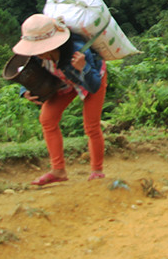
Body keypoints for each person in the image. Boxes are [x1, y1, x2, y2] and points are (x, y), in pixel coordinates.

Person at [12, 13, 107, 186]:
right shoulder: (37, 55)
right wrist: (25, 90)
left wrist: (83, 67)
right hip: (64, 80)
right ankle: (58, 170)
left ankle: (97, 170)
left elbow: (93, 85)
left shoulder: (76, 50)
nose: (35, 52)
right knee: (47, 119)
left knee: (91, 125)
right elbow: (28, 70)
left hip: (90, 77)